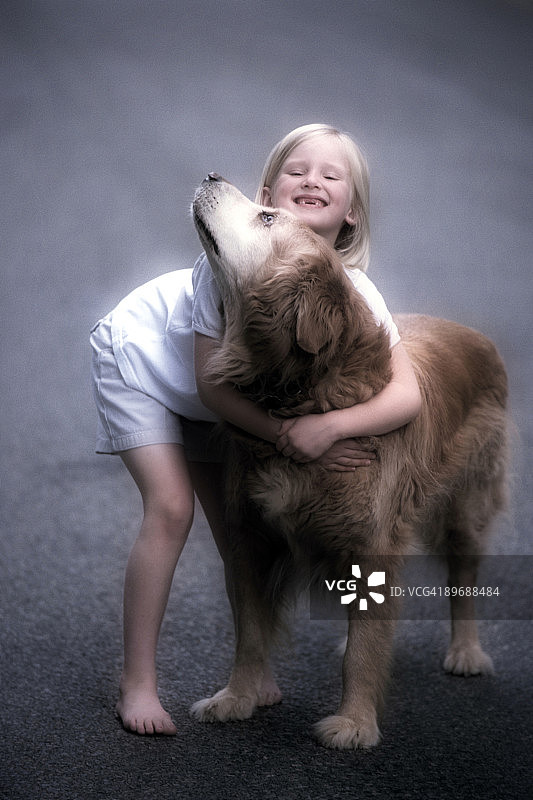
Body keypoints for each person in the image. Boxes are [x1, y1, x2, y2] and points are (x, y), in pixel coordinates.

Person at [89, 123, 421, 736]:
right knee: (170, 511)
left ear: (351, 215)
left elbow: (408, 392)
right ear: (267, 195)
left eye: (331, 174)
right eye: (296, 170)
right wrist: (285, 433)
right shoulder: (219, 273)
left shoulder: (357, 295)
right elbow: (212, 385)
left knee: (240, 538)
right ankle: (137, 682)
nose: (312, 180)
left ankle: (256, 671)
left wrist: (331, 428)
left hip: (230, 406)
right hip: (145, 368)